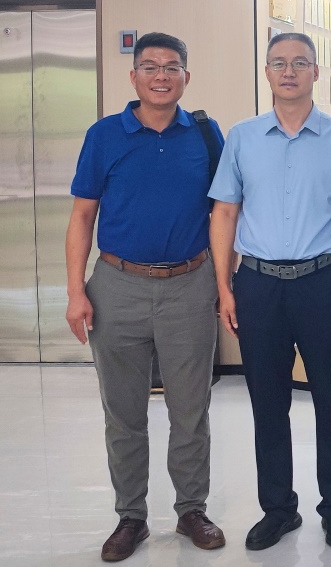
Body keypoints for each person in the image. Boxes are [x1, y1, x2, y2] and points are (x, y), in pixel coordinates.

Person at [65, 32, 227, 562]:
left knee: (191, 409)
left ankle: (191, 509)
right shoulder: (105, 135)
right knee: (124, 413)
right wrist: (75, 292)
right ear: (133, 76)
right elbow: (82, 216)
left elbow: (224, 213)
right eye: (151, 67)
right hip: (117, 286)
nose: (162, 76)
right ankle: (130, 517)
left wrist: (224, 283)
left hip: (189, 284)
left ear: (186, 76)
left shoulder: (205, 134)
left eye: (172, 67)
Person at [208, 32, 331, 551]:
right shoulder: (242, 137)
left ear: (317, 72)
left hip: (324, 282)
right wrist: (224, 286)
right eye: (279, 63)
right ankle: (278, 509)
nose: (289, 71)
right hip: (258, 285)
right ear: (267, 73)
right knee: (268, 403)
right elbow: (224, 213)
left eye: (300, 62)